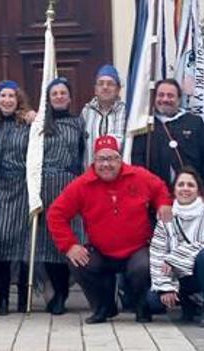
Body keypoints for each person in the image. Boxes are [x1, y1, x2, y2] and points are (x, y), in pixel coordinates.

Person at [47, 135, 171, 324]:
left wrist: (163, 204)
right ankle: (103, 307)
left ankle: (140, 305)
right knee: (78, 262)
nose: (106, 165)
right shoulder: (81, 185)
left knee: (143, 266)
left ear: (120, 159)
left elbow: (160, 188)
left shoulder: (139, 176)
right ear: (93, 161)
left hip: (137, 250)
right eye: (101, 159)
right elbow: (55, 214)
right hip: (102, 251)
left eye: (111, 159)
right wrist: (69, 245)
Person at [148, 167, 204, 327]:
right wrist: (166, 287)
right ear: (174, 190)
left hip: (203, 273)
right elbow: (157, 253)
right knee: (153, 302)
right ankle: (187, 304)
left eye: (190, 185)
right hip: (177, 277)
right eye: (181, 184)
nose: (185, 189)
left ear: (198, 190)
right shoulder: (166, 216)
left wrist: (173, 258)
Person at [36, 77, 85, 315]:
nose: (58, 96)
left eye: (62, 92)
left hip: (70, 186)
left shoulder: (78, 123)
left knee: (69, 239)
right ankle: (57, 292)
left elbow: (83, 155)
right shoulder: (39, 124)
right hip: (45, 186)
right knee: (48, 242)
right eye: (54, 93)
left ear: (69, 96)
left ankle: (66, 290)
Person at [132, 79, 204, 196]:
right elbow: (137, 161)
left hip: (192, 195)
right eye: (161, 95)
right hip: (155, 196)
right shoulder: (145, 125)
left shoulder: (195, 123)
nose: (165, 99)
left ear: (179, 99)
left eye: (170, 96)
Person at [0, 80, 31, 315]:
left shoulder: (27, 123)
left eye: (11, 96)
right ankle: (3, 297)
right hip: (1, 187)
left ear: (18, 100)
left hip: (23, 187)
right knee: (2, 242)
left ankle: (23, 300)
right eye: (2, 95)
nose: (6, 100)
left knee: (24, 244)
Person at [81, 64, 126, 169]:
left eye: (110, 84)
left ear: (118, 89)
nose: (105, 87)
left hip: (119, 176)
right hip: (90, 175)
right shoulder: (86, 112)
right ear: (95, 89)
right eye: (101, 84)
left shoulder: (127, 112)